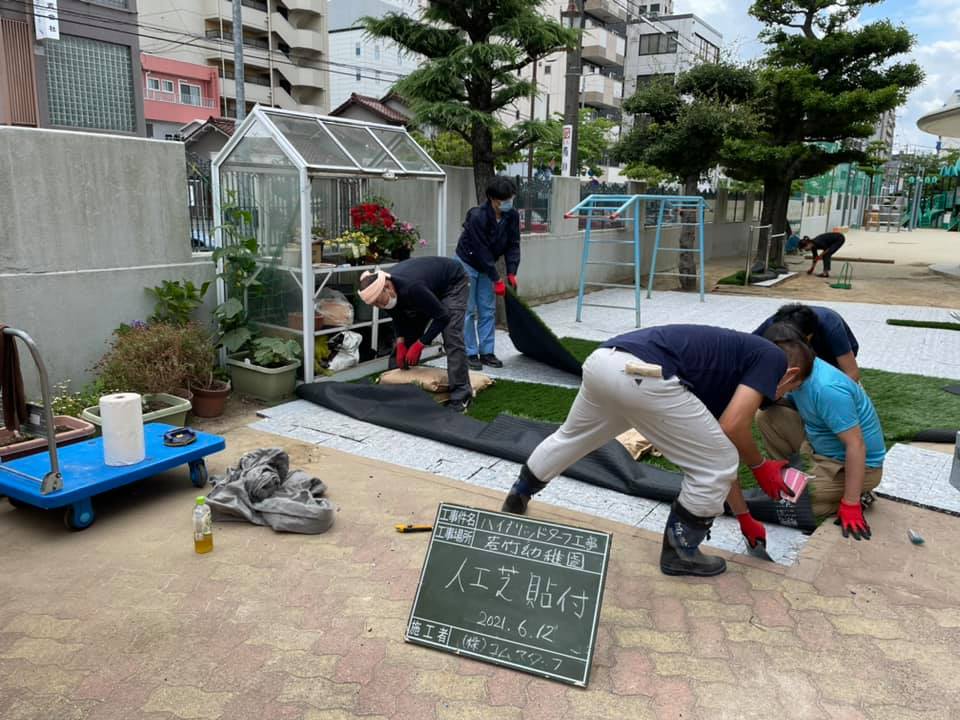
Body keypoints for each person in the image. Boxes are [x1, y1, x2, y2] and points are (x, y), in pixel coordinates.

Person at [499, 325, 814, 577]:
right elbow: (731, 432)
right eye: (790, 390)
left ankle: (520, 492)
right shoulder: (772, 358)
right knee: (718, 463)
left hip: (604, 361)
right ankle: (681, 552)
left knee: (573, 436)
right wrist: (760, 467)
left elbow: (719, 443)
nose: (783, 395)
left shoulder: (728, 366)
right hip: (645, 377)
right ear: (791, 374)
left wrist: (745, 517)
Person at [755, 323, 885, 540]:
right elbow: (793, 404)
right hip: (818, 446)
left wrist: (850, 504)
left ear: (789, 375)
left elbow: (856, 445)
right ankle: (787, 475)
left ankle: (857, 494)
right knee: (768, 417)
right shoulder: (803, 372)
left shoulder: (828, 389)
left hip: (854, 464)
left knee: (792, 505)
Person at [358, 257, 472, 412]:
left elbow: (443, 317)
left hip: (452, 283)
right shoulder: (384, 293)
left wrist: (421, 344)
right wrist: (401, 343)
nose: (379, 306)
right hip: (427, 288)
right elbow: (399, 317)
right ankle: (394, 385)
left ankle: (461, 394)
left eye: (379, 301)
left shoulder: (411, 287)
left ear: (388, 287)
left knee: (451, 335)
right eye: (375, 305)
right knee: (407, 338)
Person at [455, 176, 521, 371]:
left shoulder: (512, 216)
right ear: (492, 199)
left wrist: (512, 271)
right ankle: (469, 352)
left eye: (511, 198)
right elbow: (481, 250)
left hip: (487, 265)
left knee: (488, 309)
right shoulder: (477, 216)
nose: (509, 202)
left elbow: (513, 244)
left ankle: (487, 352)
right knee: (468, 310)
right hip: (468, 262)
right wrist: (496, 278)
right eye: (504, 199)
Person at [753, 303, 861, 382]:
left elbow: (852, 374)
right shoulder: (772, 325)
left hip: (831, 357)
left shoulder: (831, 325)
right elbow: (748, 353)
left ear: (808, 337)